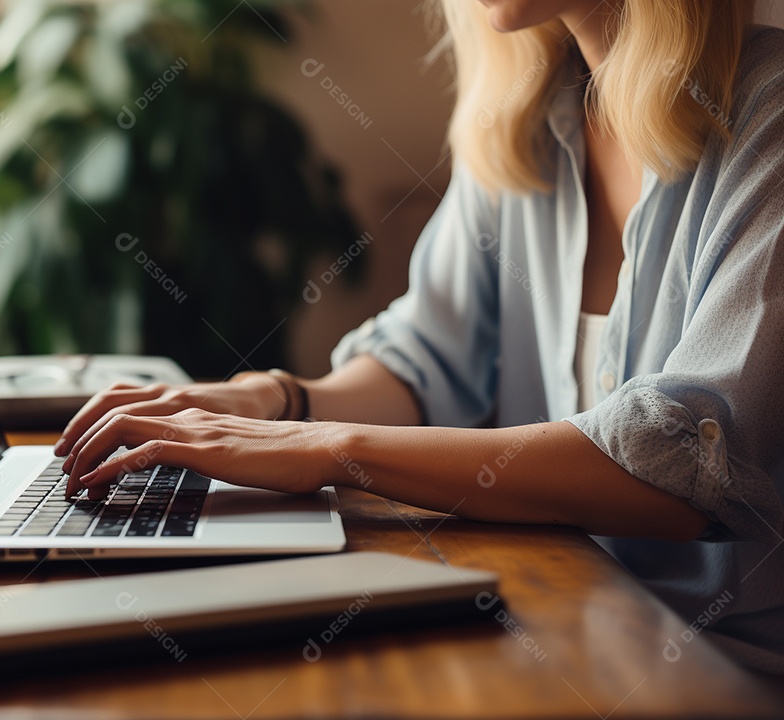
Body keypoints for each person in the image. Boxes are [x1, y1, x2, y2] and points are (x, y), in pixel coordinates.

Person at [56, 0, 784, 672]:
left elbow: (685, 470)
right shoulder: (528, 118)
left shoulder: (767, 114)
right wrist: (273, 401)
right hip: (559, 620)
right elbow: (425, 360)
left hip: (722, 667)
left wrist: (331, 449)